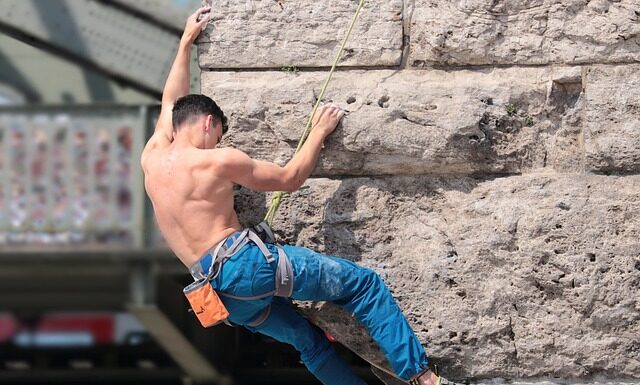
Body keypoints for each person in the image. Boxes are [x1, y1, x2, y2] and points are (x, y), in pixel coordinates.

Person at [141, 7, 454, 385]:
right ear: (209, 124)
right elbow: (290, 178)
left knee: (310, 345)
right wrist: (318, 132)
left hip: (218, 295)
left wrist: (185, 42)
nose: (218, 143)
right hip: (246, 268)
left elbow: (170, 100)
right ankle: (423, 379)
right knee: (363, 285)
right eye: (219, 134)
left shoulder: (153, 154)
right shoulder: (216, 162)